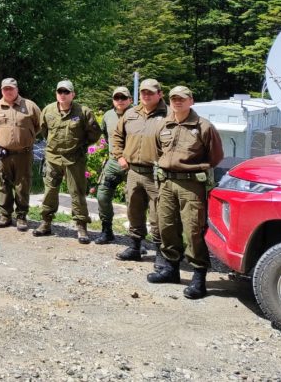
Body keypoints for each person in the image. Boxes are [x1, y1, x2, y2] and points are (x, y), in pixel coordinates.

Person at [147, 86, 223, 299]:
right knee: (166, 227)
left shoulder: (204, 127)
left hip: (191, 186)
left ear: (191, 100)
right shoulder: (163, 124)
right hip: (166, 183)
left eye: (182, 98)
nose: (177, 102)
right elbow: (157, 151)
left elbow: (215, 157)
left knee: (193, 230)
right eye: (173, 98)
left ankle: (199, 278)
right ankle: (171, 269)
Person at [35, 80, 101, 243]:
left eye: (66, 92)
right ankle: (46, 222)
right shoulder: (48, 110)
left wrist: (82, 146)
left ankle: (81, 226)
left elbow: (94, 133)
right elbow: (43, 130)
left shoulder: (83, 112)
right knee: (50, 191)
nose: (63, 95)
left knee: (77, 192)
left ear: (73, 94)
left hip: (74, 159)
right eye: (60, 92)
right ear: (56, 93)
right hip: (53, 158)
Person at [111, 78, 168, 263]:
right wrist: (119, 156)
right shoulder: (131, 114)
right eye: (143, 92)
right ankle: (135, 247)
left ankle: (161, 253)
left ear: (160, 94)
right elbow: (118, 135)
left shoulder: (169, 115)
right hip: (133, 172)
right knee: (133, 210)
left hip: (156, 175)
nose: (146, 95)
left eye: (151, 92)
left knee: (158, 214)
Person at [0, 78, 41, 231]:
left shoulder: (29, 106)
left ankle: (22, 216)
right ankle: (5, 215)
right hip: (4, 154)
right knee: (4, 184)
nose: (8, 91)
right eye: (5, 89)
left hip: (24, 154)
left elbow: (38, 125)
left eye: (11, 88)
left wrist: (25, 138)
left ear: (17, 89)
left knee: (23, 185)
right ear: (2, 90)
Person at [94, 86, 133, 244]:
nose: (120, 101)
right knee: (102, 195)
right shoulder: (108, 116)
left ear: (130, 100)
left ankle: (135, 239)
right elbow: (105, 135)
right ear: (113, 100)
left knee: (134, 201)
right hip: (113, 162)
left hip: (133, 165)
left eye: (123, 98)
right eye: (117, 98)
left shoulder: (137, 115)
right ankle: (107, 230)